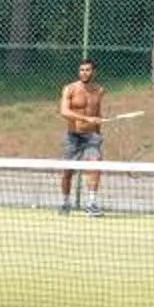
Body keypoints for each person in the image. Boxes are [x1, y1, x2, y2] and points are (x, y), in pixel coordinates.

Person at [57, 58, 111, 214]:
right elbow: (64, 112)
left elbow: (97, 112)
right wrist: (87, 119)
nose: (84, 73)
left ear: (94, 72)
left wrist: (98, 128)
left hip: (92, 137)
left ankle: (91, 204)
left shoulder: (99, 90)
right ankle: (65, 203)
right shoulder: (70, 89)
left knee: (95, 166)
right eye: (82, 70)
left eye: (87, 70)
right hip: (73, 136)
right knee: (67, 172)